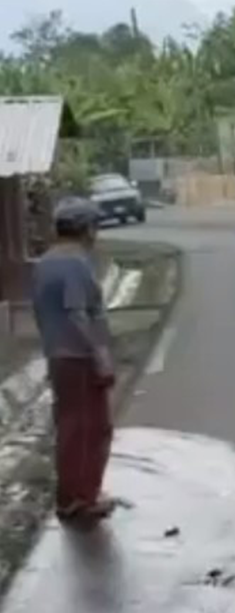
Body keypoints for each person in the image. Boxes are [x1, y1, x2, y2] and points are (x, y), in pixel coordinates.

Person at [32, 198, 118, 524]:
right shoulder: (75, 264)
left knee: (70, 427)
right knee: (90, 429)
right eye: (94, 227)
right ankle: (81, 499)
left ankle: (72, 495)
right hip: (80, 356)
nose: (96, 234)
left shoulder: (45, 263)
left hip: (58, 354)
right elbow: (77, 313)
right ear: (84, 229)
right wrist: (100, 356)